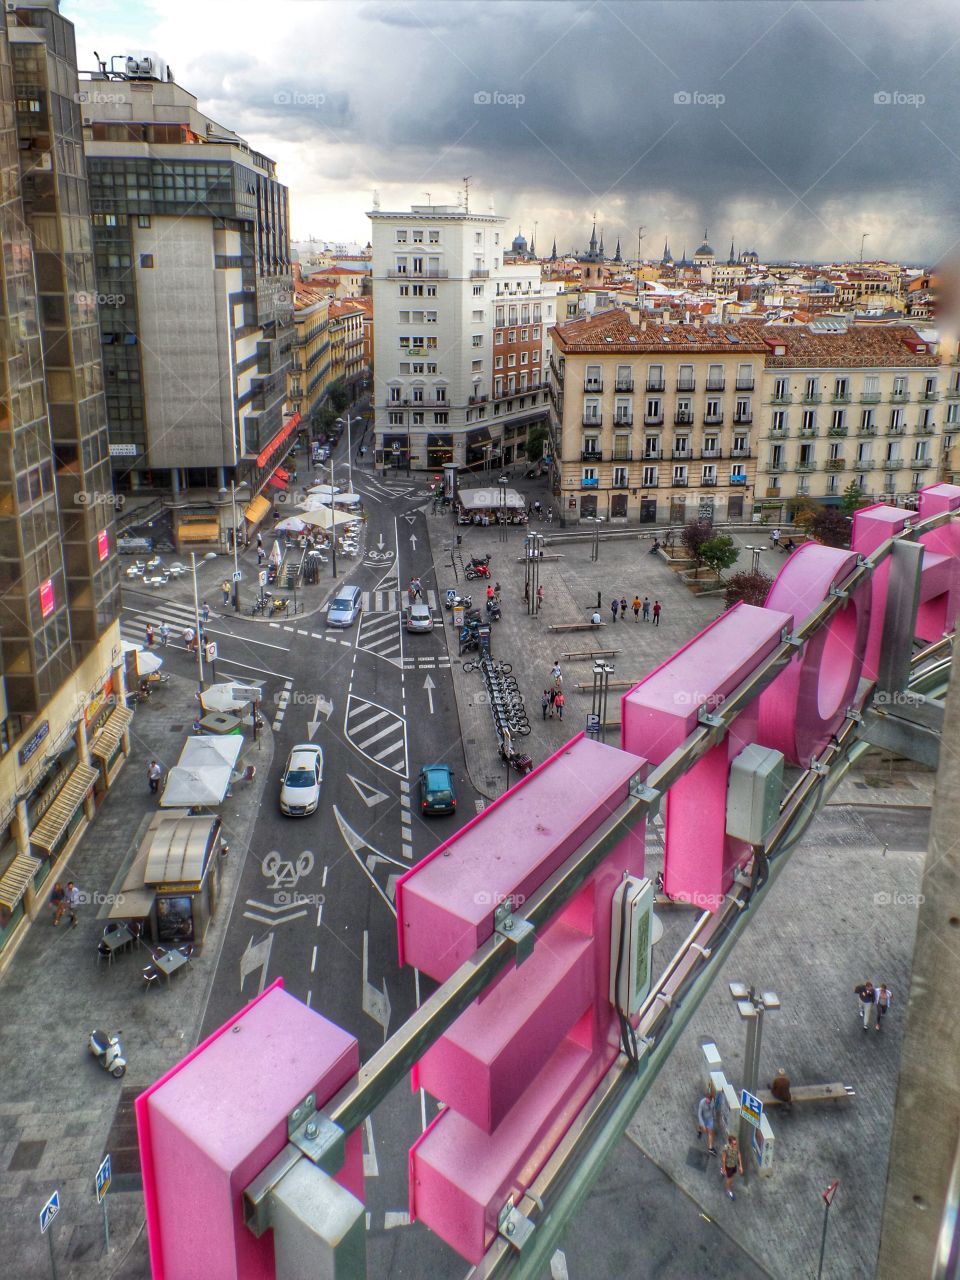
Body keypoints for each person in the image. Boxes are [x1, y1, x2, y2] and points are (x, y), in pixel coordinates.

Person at [720, 1135, 743, 1199]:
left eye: (736, 1143)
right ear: (730, 1143)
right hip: (728, 1166)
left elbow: (738, 1154)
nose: (735, 1145)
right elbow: (723, 1159)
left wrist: (740, 1166)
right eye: (734, 1143)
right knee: (730, 1179)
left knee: (731, 1176)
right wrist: (724, 1168)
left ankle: (722, 1171)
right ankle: (728, 1190)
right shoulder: (726, 1148)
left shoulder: (736, 1146)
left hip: (734, 1164)